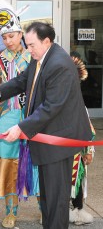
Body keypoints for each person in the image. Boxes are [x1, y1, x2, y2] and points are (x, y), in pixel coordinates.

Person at [0, 21, 92, 229]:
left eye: (31, 45)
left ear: (46, 41)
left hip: (59, 141)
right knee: (48, 196)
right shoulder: (40, 57)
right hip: (47, 139)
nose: (28, 50)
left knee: (56, 200)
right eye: (27, 45)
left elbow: (51, 106)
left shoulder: (59, 64)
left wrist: (21, 128)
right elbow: (22, 80)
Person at [0, 0, 39, 229]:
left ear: (20, 33)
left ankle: (45, 208)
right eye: (4, 38)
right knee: (9, 167)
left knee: (37, 162)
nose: (8, 41)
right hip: (7, 116)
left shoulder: (33, 55)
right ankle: (11, 211)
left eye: (11, 36)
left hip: (33, 116)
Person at [69, 54, 95, 226]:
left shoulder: (79, 104)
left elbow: (88, 130)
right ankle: (57, 211)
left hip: (76, 153)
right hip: (57, 151)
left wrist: (89, 151)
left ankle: (77, 210)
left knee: (77, 180)